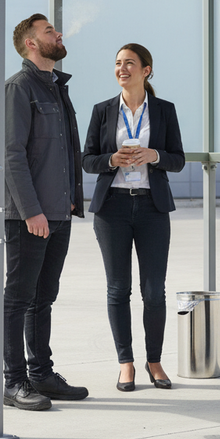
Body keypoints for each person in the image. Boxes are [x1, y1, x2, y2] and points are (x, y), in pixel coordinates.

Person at [83, 44, 185, 392]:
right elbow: (87, 159)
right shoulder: (102, 110)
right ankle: (125, 363)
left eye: (129, 63)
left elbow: (178, 159)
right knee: (118, 289)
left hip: (152, 208)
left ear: (147, 70)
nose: (122, 68)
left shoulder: (164, 110)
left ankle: (153, 360)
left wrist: (153, 154)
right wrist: (112, 160)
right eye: (117, 63)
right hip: (111, 208)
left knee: (154, 291)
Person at [3, 14, 88, 411]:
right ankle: (14, 381)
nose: (58, 33)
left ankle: (42, 374)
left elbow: (64, 149)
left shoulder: (57, 87)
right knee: (19, 297)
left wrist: (71, 199)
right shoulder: (20, 87)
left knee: (43, 298)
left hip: (59, 213)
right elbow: (13, 155)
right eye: (49, 31)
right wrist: (30, 212)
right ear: (32, 44)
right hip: (30, 217)